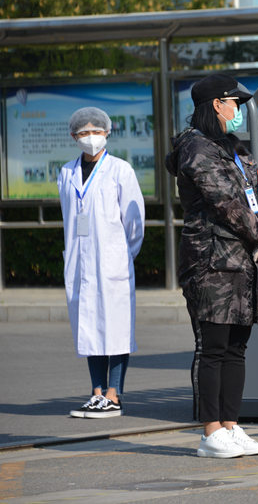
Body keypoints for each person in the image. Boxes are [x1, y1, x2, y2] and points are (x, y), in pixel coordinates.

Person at [165, 73, 258, 459]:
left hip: (244, 261)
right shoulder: (196, 148)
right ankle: (210, 431)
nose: (239, 109)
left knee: (236, 348)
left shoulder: (234, 147)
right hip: (210, 262)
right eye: (235, 103)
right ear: (217, 104)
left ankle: (231, 425)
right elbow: (225, 202)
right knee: (212, 348)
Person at [57, 107, 145, 419]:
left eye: (96, 131)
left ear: (107, 133)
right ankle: (96, 393)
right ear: (74, 136)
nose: (90, 137)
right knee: (89, 327)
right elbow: (69, 217)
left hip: (112, 263)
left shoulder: (121, 170)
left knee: (116, 328)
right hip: (80, 263)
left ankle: (113, 394)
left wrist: (121, 255)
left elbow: (135, 223)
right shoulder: (66, 172)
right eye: (84, 132)